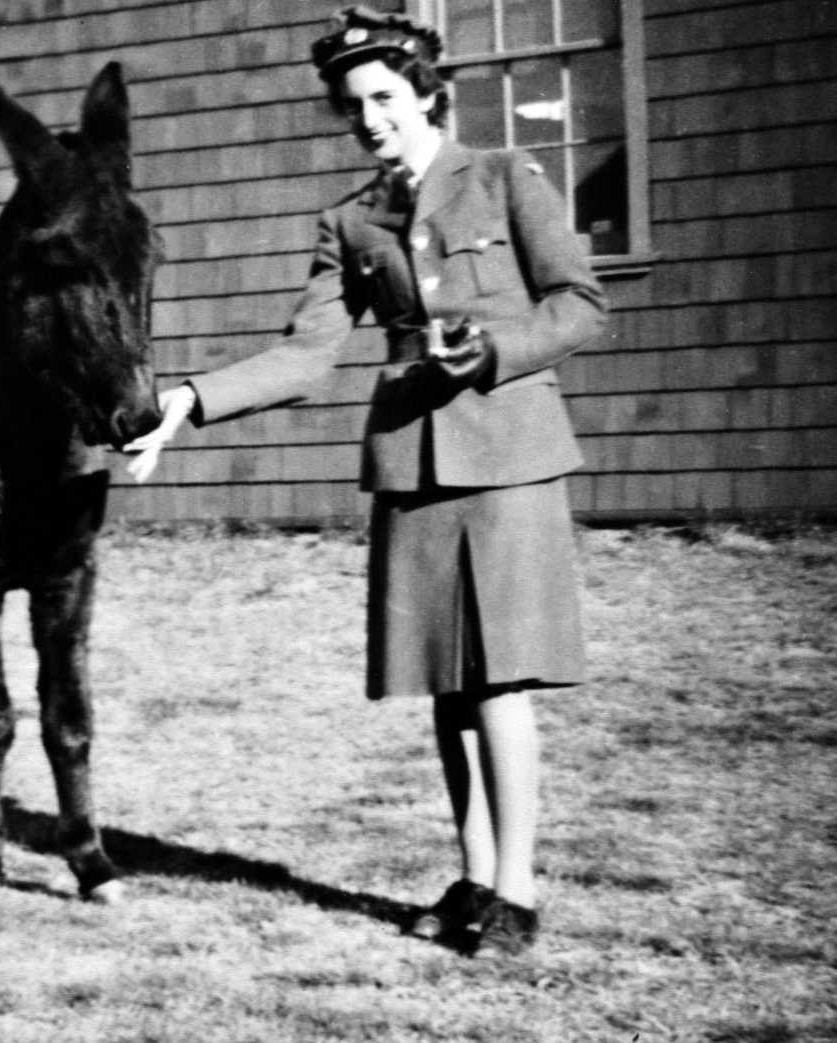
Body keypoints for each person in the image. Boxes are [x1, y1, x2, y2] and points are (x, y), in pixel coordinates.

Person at [125, 5, 608, 956]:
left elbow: (579, 306)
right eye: (354, 108)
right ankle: (473, 877)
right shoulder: (350, 220)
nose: (371, 119)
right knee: (444, 684)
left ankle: (516, 890)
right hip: (411, 463)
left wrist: (493, 352)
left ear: (426, 92)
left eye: (384, 97)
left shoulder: (507, 178)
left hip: (507, 457)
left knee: (499, 679)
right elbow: (306, 354)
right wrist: (184, 400)